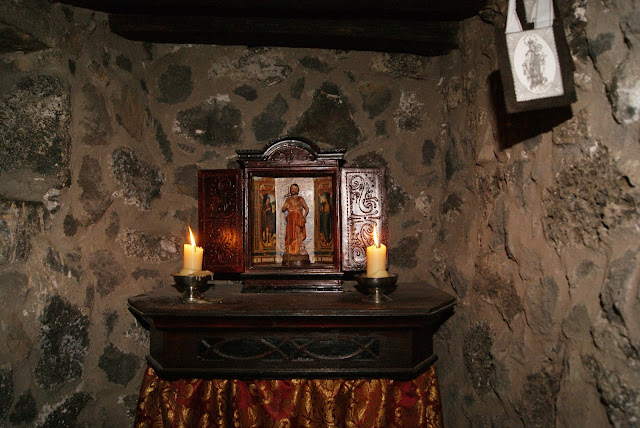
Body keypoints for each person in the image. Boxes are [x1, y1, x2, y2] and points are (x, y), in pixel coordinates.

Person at [281, 184, 309, 259]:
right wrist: (286, 200)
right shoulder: (288, 199)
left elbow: (306, 208)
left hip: (298, 219)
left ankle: (299, 249)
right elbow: (283, 209)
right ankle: (290, 250)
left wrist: (304, 216)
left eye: (295, 188)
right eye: (292, 188)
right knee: (290, 234)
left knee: (298, 233)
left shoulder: (300, 199)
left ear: (297, 190)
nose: (293, 190)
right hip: (291, 220)